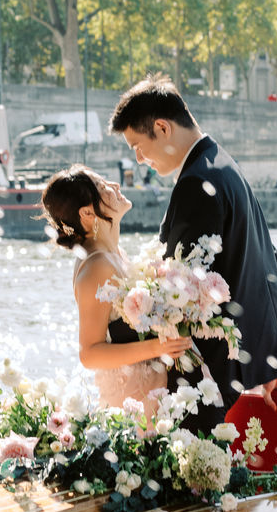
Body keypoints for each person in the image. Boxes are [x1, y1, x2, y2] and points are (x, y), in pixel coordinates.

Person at [110, 75, 277, 431]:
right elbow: (268, 260)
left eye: (137, 145)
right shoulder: (222, 163)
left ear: (161, 127)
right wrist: (276, 358)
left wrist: (114, 333)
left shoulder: (194, 184)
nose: (139, 159)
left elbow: (181, 290)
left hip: (206, 377)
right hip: (236, 367)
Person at [41, 166, 191, 415]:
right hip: (131, 401)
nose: (116, 186)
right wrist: (159, 347)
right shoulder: (97, 267)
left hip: (151, 390)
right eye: (103, 187)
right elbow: (89, 354)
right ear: (88, 213)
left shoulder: (114, 254)